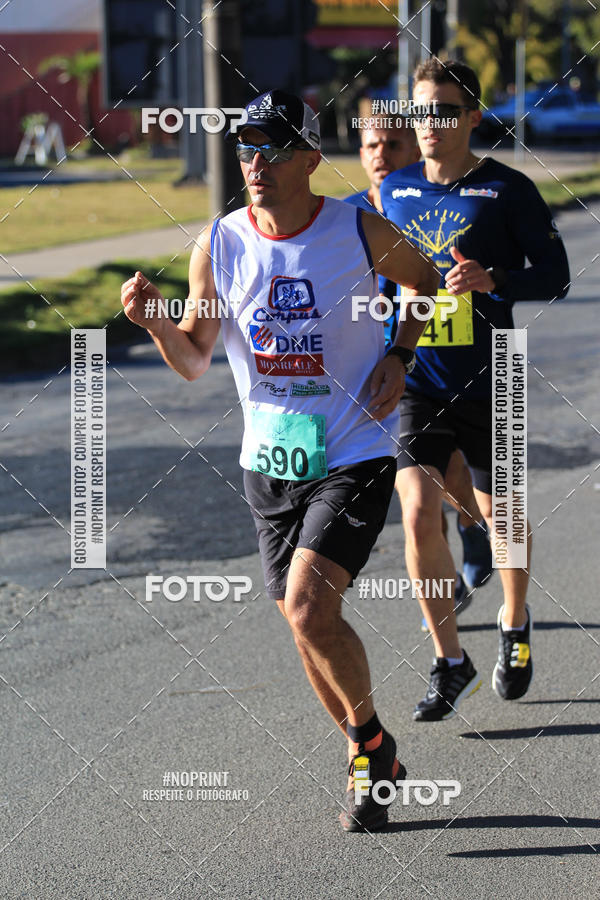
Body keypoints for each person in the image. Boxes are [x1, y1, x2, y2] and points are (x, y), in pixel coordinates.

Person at [120, 90, 439, 830]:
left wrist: (400, 351)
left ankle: (368, 747)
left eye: (271, 149)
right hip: (269, 459)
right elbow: (197, 358)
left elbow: (422, 282)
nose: (255, 163)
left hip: (352, 449)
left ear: (309, 160)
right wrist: (154, 322)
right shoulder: (221, 243)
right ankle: (373, 751)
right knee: (303, 624)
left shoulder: (356, 231)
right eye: (245, 149)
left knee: (306, 604)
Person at [380, 60, 570, 720]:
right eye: (420, 112)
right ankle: (448, 658)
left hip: (496, 371)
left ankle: (515, 624)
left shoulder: (507, 190)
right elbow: (379, 280)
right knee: (414, 511)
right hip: (419, 376)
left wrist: (494, 280)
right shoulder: (394, 191)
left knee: (503, 515)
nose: (429, 125)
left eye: (443, 112)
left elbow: (556, 274)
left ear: (471, 118)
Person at [345, 120, 493, 616]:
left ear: (414, 150)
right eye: (371, 146)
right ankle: (445, 592)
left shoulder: (436, 207)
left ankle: (472, 524)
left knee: (450, 471)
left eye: (393, 145)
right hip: (370, 370)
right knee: (417, 501)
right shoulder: (346, 216)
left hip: (432, 362)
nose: (381, 154)